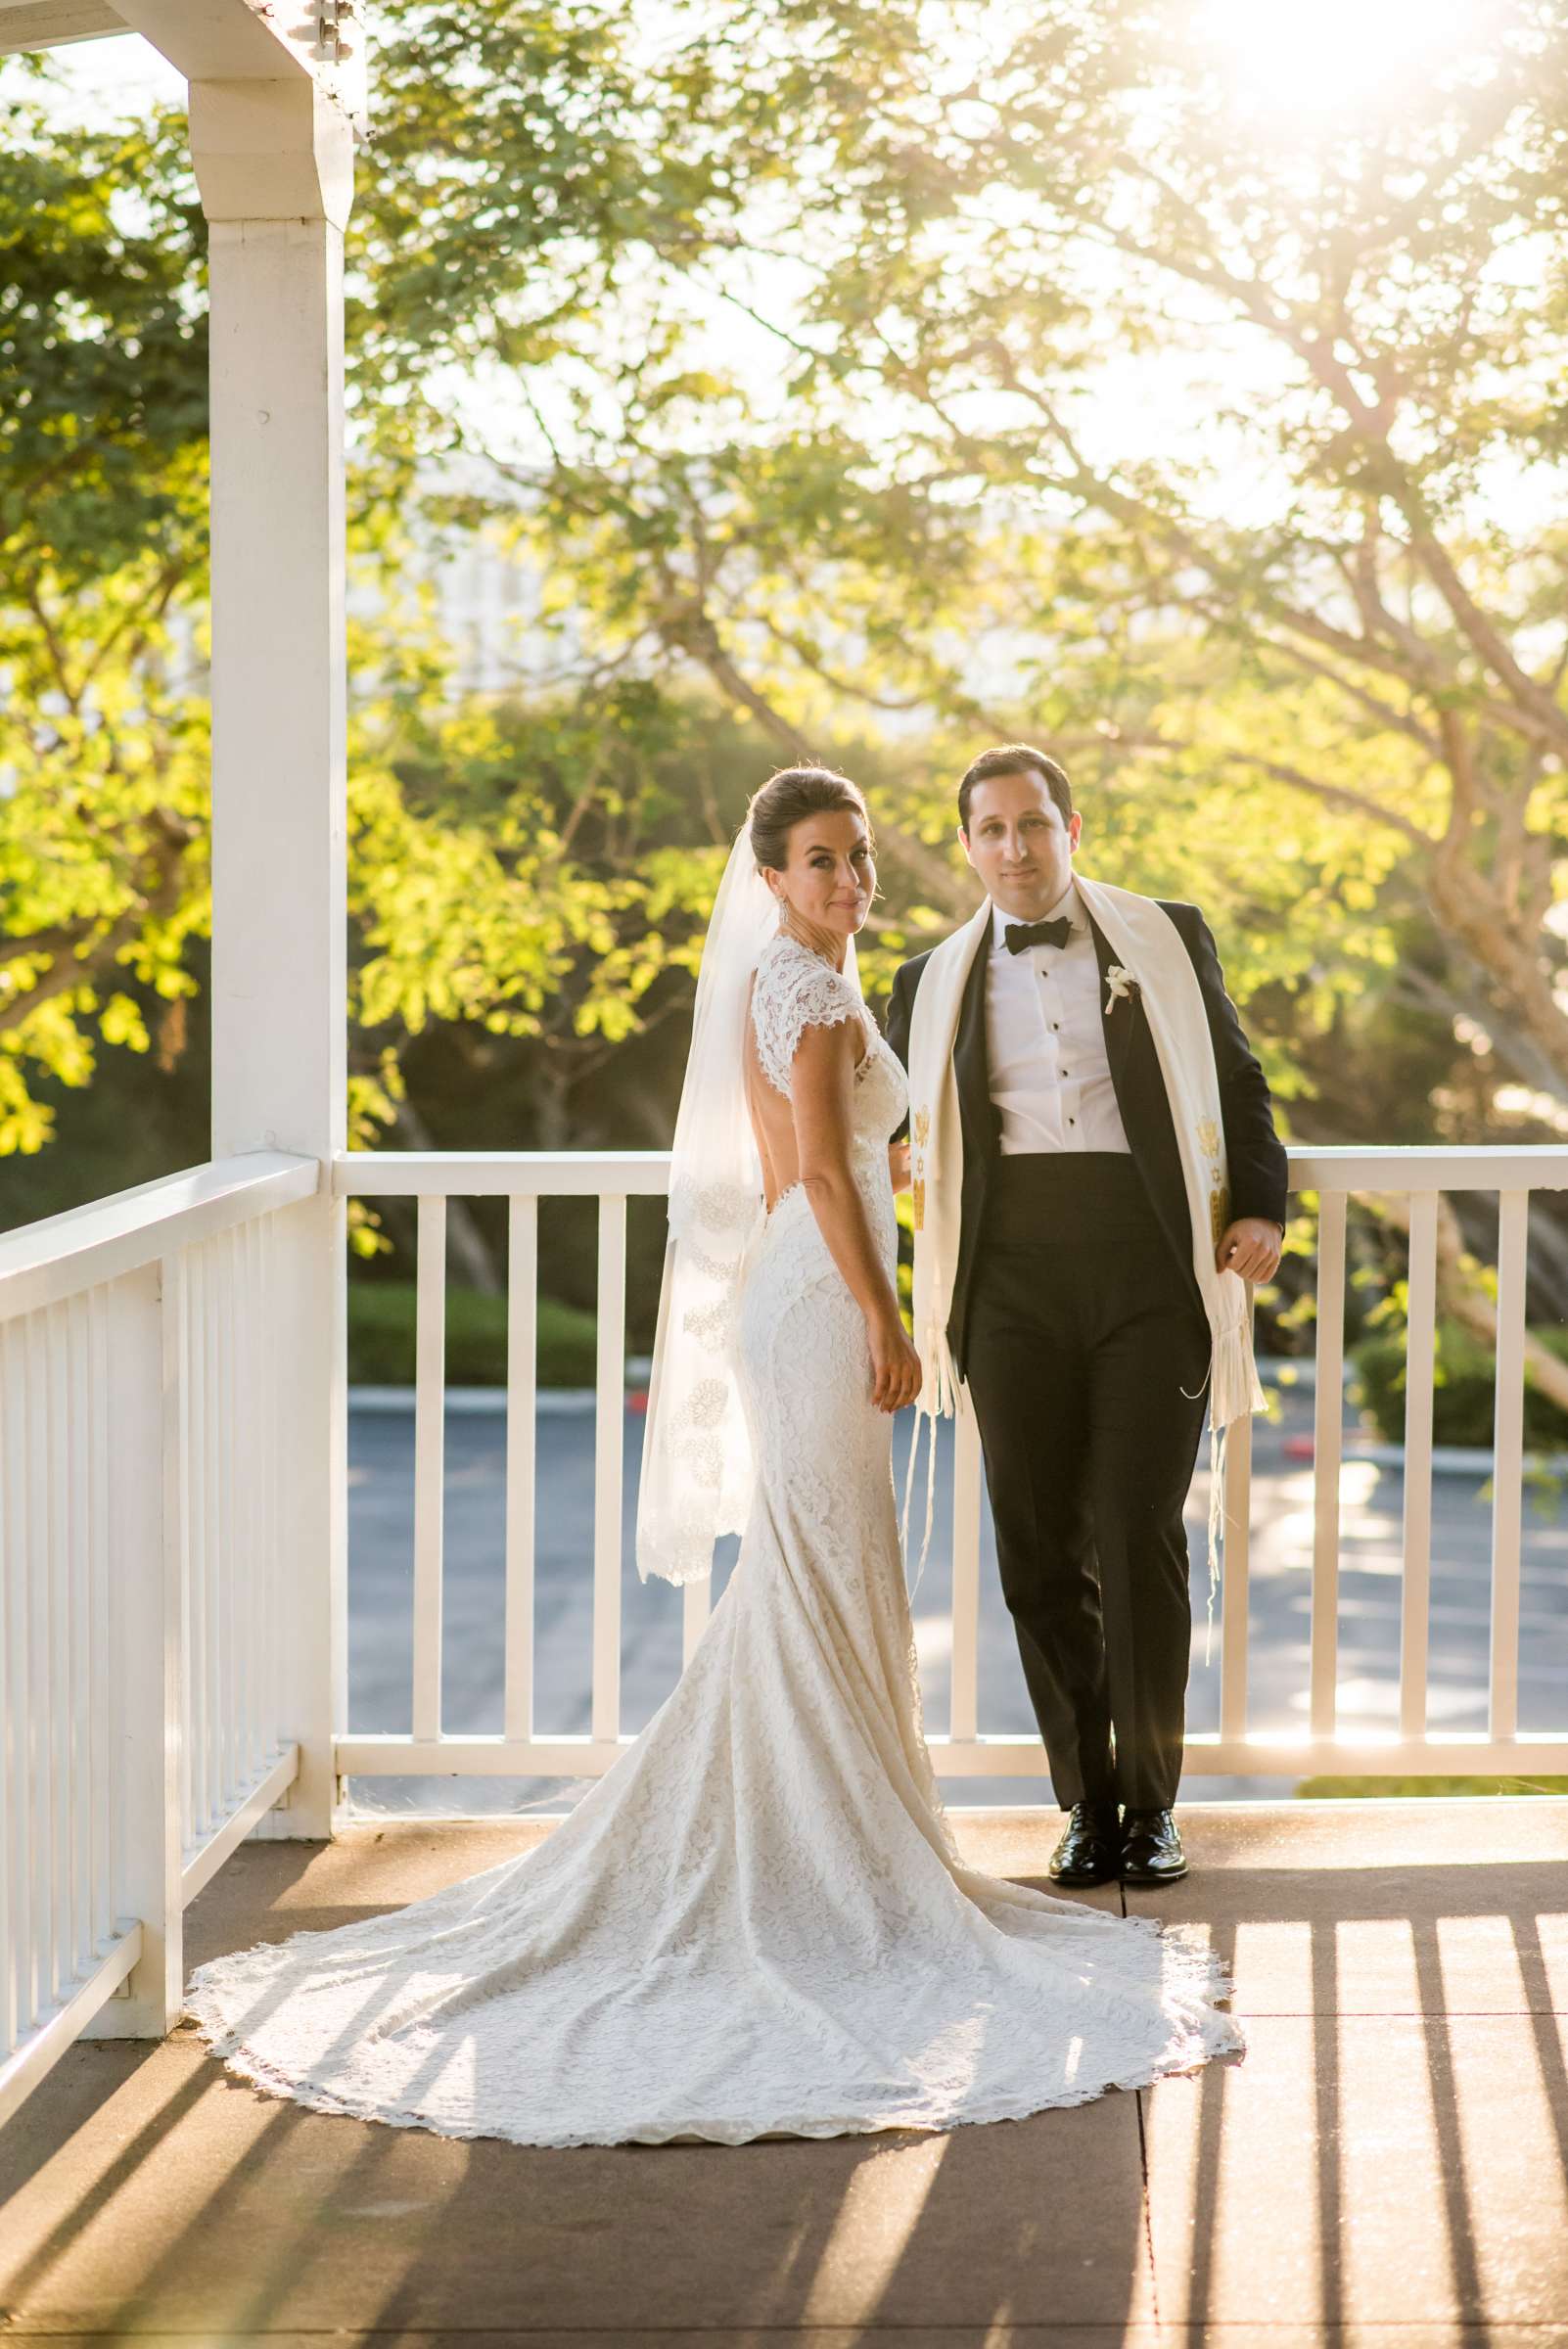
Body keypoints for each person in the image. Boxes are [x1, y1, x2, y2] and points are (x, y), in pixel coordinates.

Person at [183, 763, 1242, 2149]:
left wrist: (902, 1181)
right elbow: (808, 1167)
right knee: (824, 1573)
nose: (846, 881)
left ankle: (884, 1833)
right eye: (817, 861)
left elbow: (879, 1142)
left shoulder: (883, 973)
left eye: (857, 857)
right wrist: (879, 1308)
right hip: (826, 1303)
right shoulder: (820, 987)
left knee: (825, 1576)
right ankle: (823, 1850)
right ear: (767, 879)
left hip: (880, 1283)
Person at [887, 745, 1288, 1894]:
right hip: (1004, 1279)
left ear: (1074, 829)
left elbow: (1236, 1076)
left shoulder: (1163, 933)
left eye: (1032, 825)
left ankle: (1153, 1804)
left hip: (1152, 1267)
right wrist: (900, 1156)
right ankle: (1086, 1803)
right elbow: (893, 1118)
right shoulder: (930, 978)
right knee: (1034, 1543)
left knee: (1137, 1530)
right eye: (991, 831)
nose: (1014, 849)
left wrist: (1260, 1204)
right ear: (967, 846)